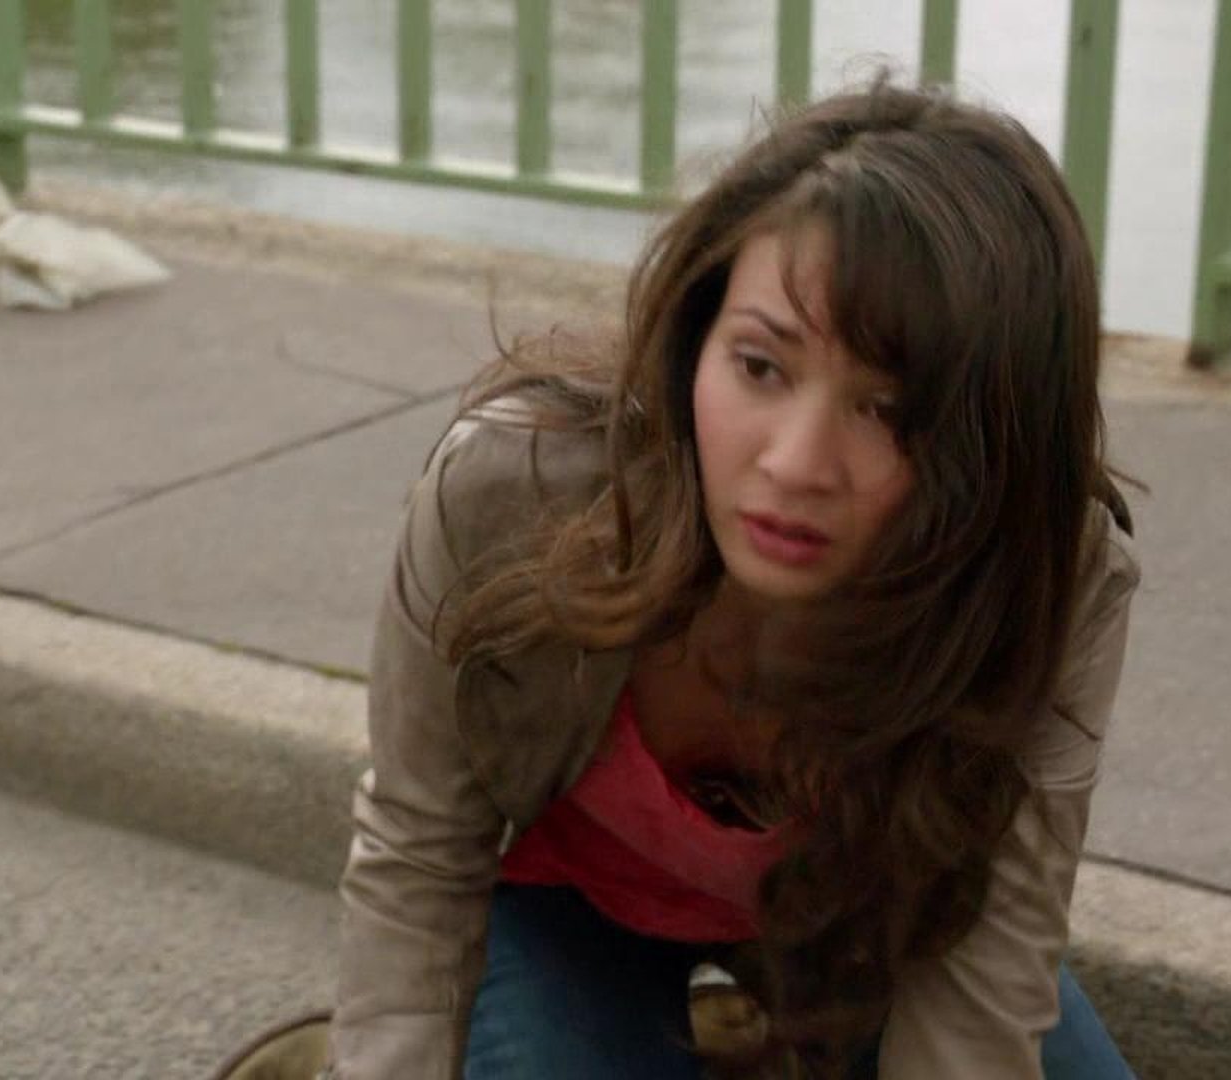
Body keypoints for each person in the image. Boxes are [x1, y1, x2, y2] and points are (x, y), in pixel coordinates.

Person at [328, 80, 1141, 1079]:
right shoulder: (510, 492)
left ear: (991, 446)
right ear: (696, 339)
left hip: (865, 924)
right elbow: (419, 855)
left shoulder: (1051, 579)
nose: (795, 465)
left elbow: (983, 976)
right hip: (567, 909)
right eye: (760, 365)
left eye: (887, 409)